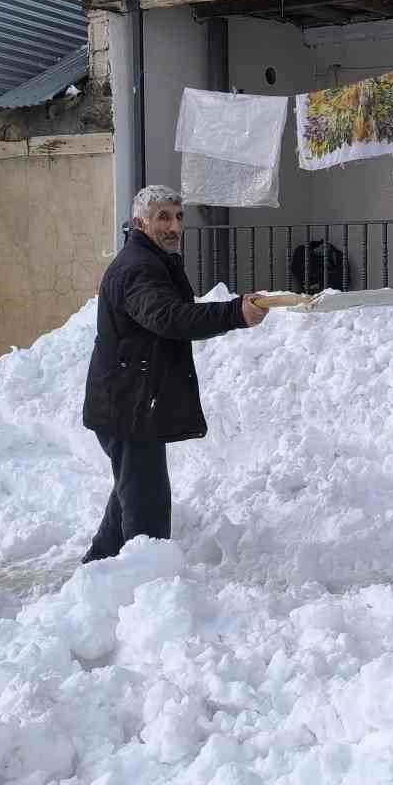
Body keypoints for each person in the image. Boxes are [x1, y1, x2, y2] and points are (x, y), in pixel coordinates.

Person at [80, 185, 267, 564]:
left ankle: (98, 570)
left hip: (130, 399)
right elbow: (168, 317)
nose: (174, 226)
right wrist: (234, 314)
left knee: (131, 491)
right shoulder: (138, 269)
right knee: (145, 500)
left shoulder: (153, 261)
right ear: (139, 222)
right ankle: (146, 587)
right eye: (163, 217)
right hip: (128, 403)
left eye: (179, 217)